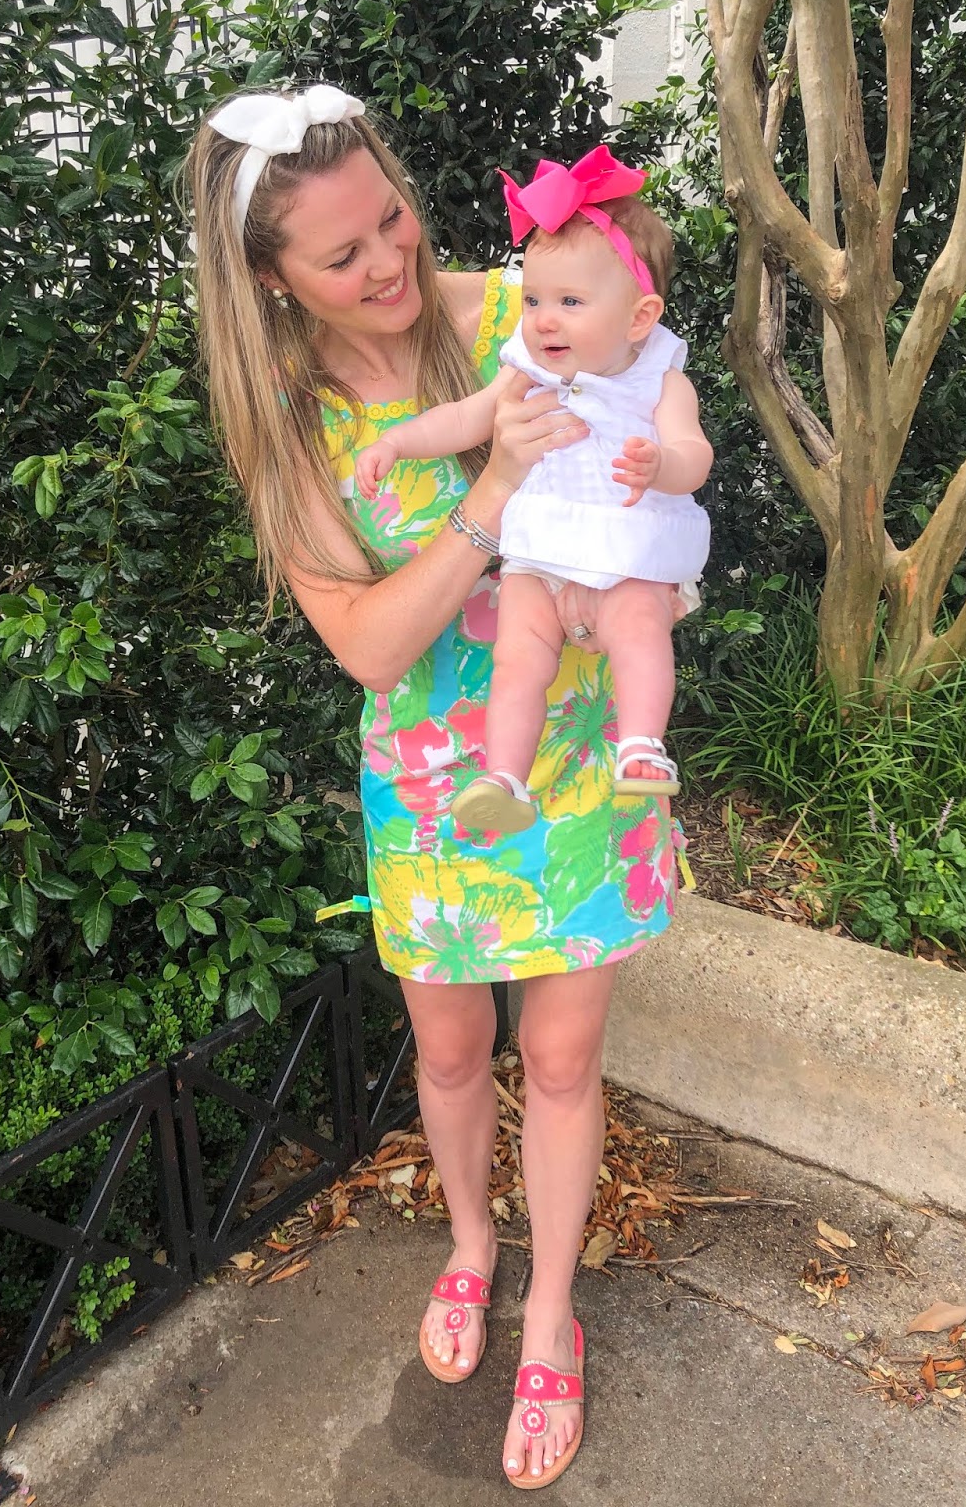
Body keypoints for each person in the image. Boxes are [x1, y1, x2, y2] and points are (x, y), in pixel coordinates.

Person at [184, 83, 691, 1490]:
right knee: (456, 1056)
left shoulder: (518, 309)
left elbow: (657, 423)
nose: (389, 262)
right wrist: (491, 494)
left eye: (393, 220)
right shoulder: (288, 420)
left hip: (575, 759)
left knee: (564, 1062)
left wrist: (654, 557)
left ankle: (549, 1310)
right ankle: (471, 1243)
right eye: (342, 254)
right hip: (431, 792)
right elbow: (368, 645)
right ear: (270, 280)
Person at [355, 147, 712, 837]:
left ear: (639, 317)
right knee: (517, 658)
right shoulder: (528, 370)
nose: (544, 319)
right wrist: (397, 441)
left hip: (625, 550)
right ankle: (505, 776)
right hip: (539, 551)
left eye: (570, 303)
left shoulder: (659, 379)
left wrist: (660, 465)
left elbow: (694, 457)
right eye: (535, 300)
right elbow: (466, 418)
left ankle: (641, 744)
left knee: (639, 628)